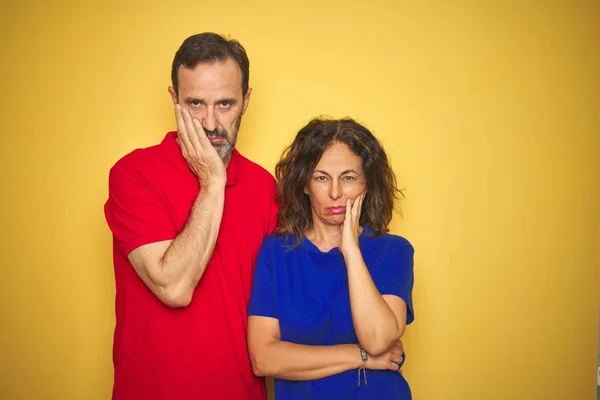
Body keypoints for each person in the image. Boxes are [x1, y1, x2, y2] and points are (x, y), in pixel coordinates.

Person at [104, 32, 276, 400]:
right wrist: (214, 181)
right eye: (195, 104)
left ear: (246, 100)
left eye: (225, 104)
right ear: (173, 99)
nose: (210, 123)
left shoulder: (265, 187)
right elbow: (174, 287)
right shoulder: (134, 174)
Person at [248, 117, 415, 399]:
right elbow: (263, 359)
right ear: (304, 184)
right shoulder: (276, 253)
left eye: (348, 178)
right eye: (321, 177)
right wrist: (360, 357)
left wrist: (350, 250)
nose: (335, 193)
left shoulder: (394, 250)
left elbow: (376, 339)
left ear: (366, 183)